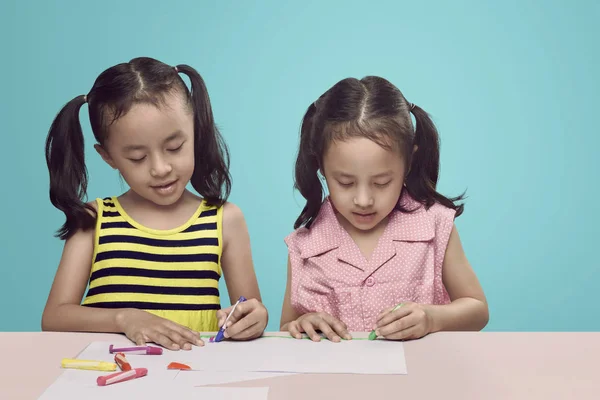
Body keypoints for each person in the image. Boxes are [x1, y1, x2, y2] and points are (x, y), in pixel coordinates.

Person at [42, 57, 268, 350]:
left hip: (191, 377)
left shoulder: (225, 219)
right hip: (110, 379)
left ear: (195, 130)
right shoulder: (95, 218)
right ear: (108, 156)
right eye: (137, 157)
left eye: (174, 147)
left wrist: (255, 317)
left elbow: (248, 311)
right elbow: (54, 317)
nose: (160, 168)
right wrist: (124, 319)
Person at [280, 76, 488, 342]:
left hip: (424, 379)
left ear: (409, 163)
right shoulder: (305, 246)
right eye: (345, 183)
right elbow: (286, 327)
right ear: (321, 167)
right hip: (336, 382)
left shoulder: (435, 225)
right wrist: (302, 324)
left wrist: (431, 318)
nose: (364, 200)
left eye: (381, 182)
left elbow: (478, 309)